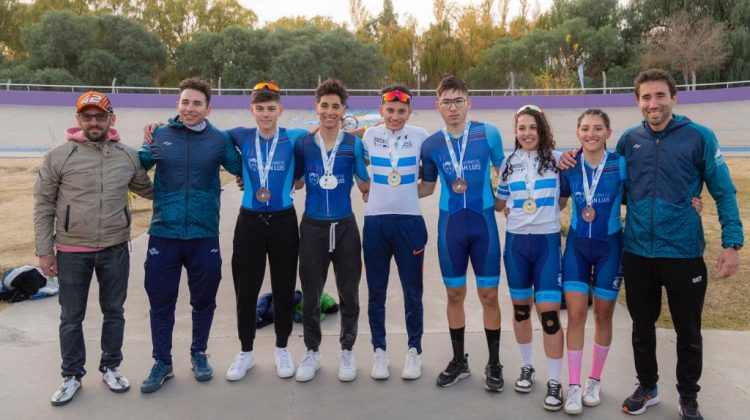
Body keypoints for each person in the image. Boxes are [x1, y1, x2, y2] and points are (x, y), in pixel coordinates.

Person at [560, 69, 743, 420]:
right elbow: (608, 183)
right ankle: (647, 386)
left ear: (674, 97)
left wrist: (731, 242)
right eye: (646, 97)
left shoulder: (699, 137)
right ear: (638, 102)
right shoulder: (630, 141)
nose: (653, 103)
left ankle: (688, 396)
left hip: (683, 251)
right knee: (642, 327)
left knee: (687, 329)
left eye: (660, 96)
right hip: (638, 249)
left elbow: (723, 191)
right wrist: (572, 157)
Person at [34, 91, 153, 406]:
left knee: (114, 312)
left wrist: (170, 160)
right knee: (71, 316)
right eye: (87, 116)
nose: (94, 122)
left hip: (115, 248)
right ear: (78, 120)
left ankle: (111, 366)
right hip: (72, 252)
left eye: (100, 116)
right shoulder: (59, 156)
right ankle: (71, 375)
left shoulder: (127, 155)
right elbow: (43, 205)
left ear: (111, 119)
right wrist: (45, 252)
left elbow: (150, 190)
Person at [138, 78, 242, 393]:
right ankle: (162, 361)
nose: (190, 108)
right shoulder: (160, 135)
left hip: (203, 234)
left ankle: (199, 354)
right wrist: (146, 138)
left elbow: (242, 166)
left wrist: (245, 180)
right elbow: (138, 164)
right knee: (161, 301)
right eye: (185, 102)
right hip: (164, 234)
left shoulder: (218, 140)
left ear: (208, 108)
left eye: (197, 103)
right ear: (177, 104)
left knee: (204, 300)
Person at [419, 75, 506, 392]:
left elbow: (506, 171)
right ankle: (460, 361)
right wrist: (390, 190)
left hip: (483, 225)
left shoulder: (488, 133)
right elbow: (427, 188)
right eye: (446, 102)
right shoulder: (431, 145)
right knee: (455, 295)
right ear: (437, 106)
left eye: (458, 101)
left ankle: (494, 363)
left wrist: (502, 202)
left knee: (489, 296)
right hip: (450, 227)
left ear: (469, 102)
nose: (453, 107)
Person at [223, 83, 310, 381]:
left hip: (284, 221)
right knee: (245, 290)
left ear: (281, 110)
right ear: (251, 110)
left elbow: (331, 131)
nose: (266, 114)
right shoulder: (239, 135)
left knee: (284, 289)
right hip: (249, 222)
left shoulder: (294, 136)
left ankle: (282, 347)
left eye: (271, 108)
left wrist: (377, 127)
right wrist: (160, 125)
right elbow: (200, 130)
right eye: (260, 108)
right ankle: (245, 351)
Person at [293, 78, 370, 383]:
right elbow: (296, 181)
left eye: (335, 106)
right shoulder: (303, 143)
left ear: (344, 110)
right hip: (312, 227)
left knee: (349, 293)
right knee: (311, 295)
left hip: (346, 227)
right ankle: (312, 351)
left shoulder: (353, 144)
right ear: (316, 107)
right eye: (324, 105)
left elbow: (363, 183)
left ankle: (347, 350)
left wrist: (393, 180)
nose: (329, 111)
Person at [495, 105, 565, 410]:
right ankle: (527, 366)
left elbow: (563, 200)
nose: (526, 133)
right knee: (521, 310)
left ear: (542, 130)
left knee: (549, 315)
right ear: (516, 132)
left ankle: (554, 380)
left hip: (547, 243)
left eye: (532, 127)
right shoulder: (507, 163)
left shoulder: (560, 161)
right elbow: (499, 203)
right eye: (521, 128)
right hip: (516, 245)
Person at [558, 109, 626, 414]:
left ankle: (594, 381)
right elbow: (556, 200)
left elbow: (645, 195)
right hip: (576, 247)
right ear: (578, 132)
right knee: (575, 316)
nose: (591, 134)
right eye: (585, 128)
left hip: (610, 247)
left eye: (598, 128)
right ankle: (573, 386)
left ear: (608, 132)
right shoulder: (569, 165)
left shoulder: (621, 164)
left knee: (602, 315)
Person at [361, 85, 430, 380]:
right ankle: (380, 352)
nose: (395, 116)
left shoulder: (420, 136)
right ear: (381, 111)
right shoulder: (369, 135)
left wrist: (403, 193)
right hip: (375, 223)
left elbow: (429, 183)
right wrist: (368, 188)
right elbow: (355, 163)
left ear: (410, 112)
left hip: (409, 223)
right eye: (390, 110)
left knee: (413, 293)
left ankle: (414, 351)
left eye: (401, 111)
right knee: (376, 293)